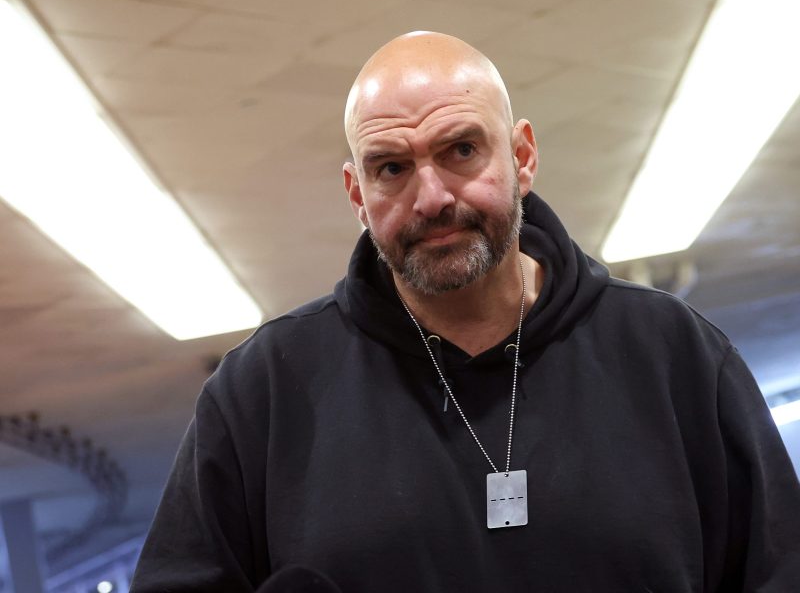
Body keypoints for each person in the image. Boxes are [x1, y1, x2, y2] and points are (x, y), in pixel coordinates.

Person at [130, 32, 800, 592]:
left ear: (523, 155)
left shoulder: (676, 356)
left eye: (460, 150)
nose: (430, 198)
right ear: (356, 194)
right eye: (391, 168)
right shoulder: (262, 393)